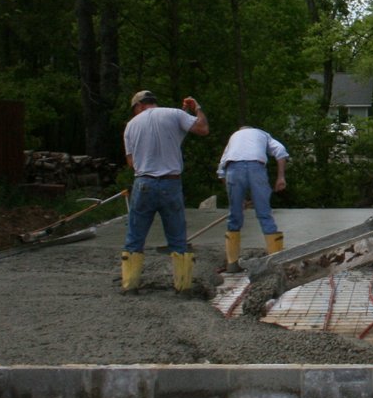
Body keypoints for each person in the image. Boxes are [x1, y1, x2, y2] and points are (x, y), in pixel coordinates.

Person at [122, 90, 209, 293]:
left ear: (139, 106)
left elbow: (131, 162)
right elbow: (202, 128)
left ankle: (130, 285)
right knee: (177, 237)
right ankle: (183, 285)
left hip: (143, 183)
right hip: (170, 183)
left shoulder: (131, 126)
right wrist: (197, 108)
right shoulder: (174, 115)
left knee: (135, 235)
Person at [216, 126, 290, 272]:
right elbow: (281, 151)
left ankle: (232, 264)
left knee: (234, 216)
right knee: (265, 214)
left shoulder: (234, 136)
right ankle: (275, 263)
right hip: (256, 167)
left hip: (233, 169)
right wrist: (281, 177)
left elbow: (221, 171)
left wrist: (236, 200)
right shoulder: (263, 134)